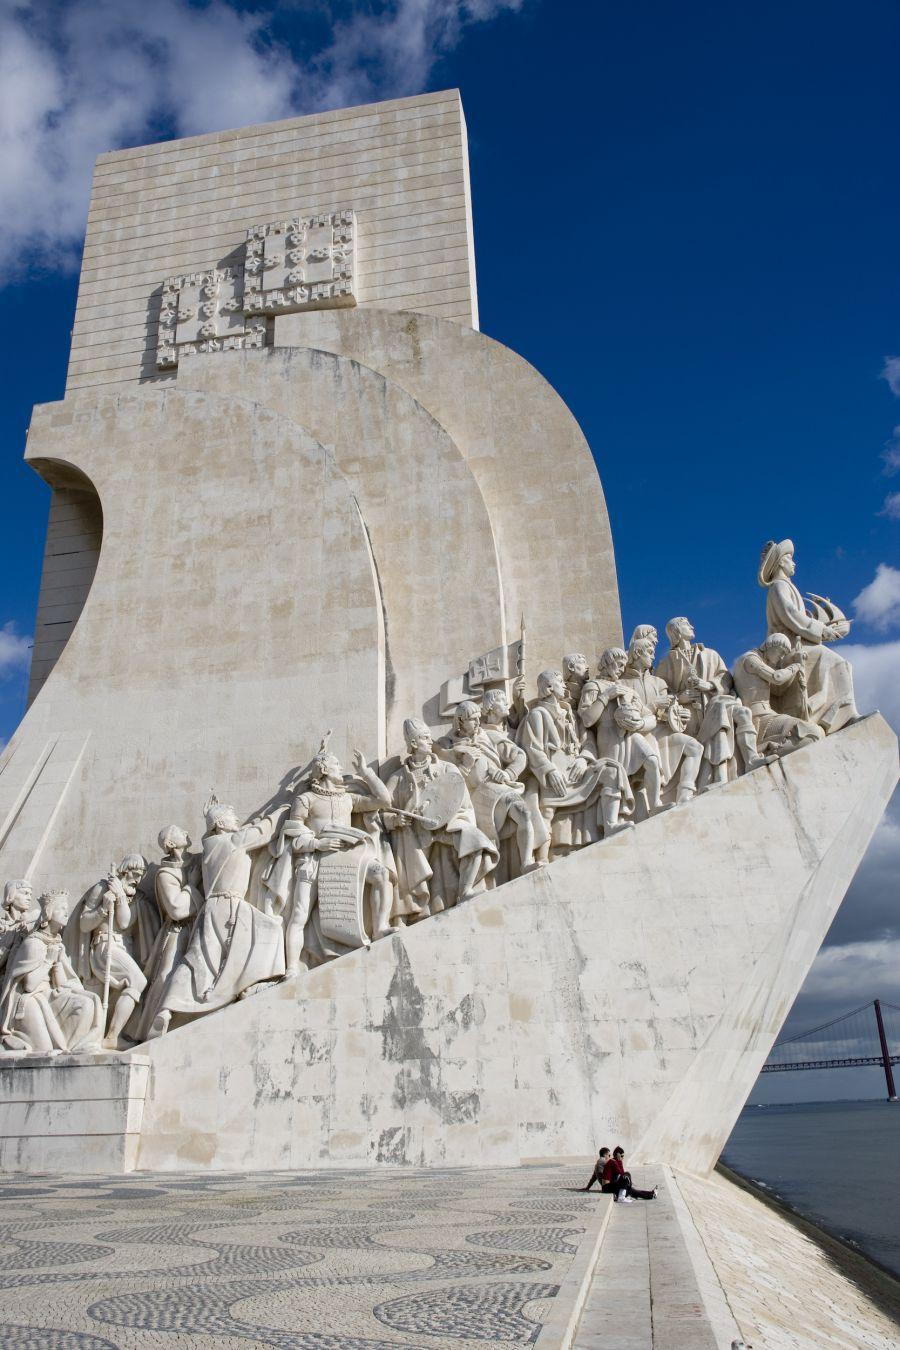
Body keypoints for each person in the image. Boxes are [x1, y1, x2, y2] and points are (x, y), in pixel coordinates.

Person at [758, 538, 858, 732]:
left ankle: (842, 713)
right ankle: (840, 716)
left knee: (840, 664)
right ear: (780, 562)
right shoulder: (779, 586)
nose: (794, 562)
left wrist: (822, 625)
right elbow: (790, 615)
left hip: (802, 642)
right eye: (789, 558)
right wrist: (821, 630)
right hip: (790, 648)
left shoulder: (785, 586)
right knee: (834, 660)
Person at [655, 616, 767, 785]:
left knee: (742, 712)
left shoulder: (710, 654)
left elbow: (725, 677)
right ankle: (720, 776)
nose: (692, 626)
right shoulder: (666, 663)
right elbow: (661, 695)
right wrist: (680, 697)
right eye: (686, 624)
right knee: (720, 718)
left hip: (715, 701)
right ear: (676, 631)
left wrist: (708, 685)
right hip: (691, 717)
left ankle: (751, 758)